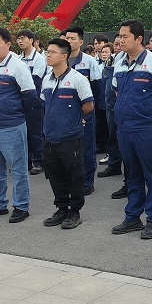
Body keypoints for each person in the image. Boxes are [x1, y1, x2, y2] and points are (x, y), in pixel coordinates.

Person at [111, 19, 152, 240]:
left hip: (146, 128)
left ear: (138, 39)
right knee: (132, 174)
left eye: (125, 36)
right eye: (119, 36)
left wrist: (147, 114)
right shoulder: (119, 62)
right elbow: (118, 93)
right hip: (124, 128)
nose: (120, 40)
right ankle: (133, 217)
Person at [0, 27, 37, 222]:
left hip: (11, 127)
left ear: (8, 45)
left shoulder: (18, 66)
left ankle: (21, 206)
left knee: (18, 169)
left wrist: (14, 113)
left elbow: (30, 95)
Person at [39, 38, 94, 230]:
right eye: (47, 52)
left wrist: (73, 120)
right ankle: (61, 208)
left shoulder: (77, 79)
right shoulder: (47, 79)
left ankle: (74, 211)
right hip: (50, 137)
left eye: (52, 52)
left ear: (64, 56)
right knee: (55, 175)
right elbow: (45, 105)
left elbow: (88, 105)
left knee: (75, 175)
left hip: (70, 137)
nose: (48, 55)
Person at [63, 26, 101, 194]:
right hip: (65, 112)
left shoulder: (89, 61)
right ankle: (71, 180)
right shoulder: (60, 60)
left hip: (85, 111)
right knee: (67, 149)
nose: (69, 41)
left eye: (73, 39)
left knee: (86, 148)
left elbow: (97, 88)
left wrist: (88, 111)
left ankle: (87, 181)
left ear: (80, 42)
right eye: (67, 38)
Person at [17, 29, 48, 175]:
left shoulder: (39, 59)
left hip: (34, 99)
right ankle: (27, 161)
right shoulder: (18, 58)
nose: (20, 41)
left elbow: (36, 80)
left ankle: (39, 161)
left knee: (36, 131)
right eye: (18, 39)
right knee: (23, 132)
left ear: (31, 40)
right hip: (20, 99)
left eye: (23, 38)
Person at [98, 37, 124, 179]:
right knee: (112, 136)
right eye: (116, 44)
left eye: (121, 43)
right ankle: (114, 165)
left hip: (126, 106)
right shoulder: (112, 60)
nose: (118, 46)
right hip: (111, 106)